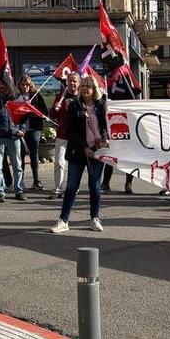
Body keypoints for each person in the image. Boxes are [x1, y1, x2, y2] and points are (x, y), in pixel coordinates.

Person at [50, 77, 108, 233]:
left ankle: (94, 218)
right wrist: (84, 147)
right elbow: (70, 130)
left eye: (88, 86)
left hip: (96, 152)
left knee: (95, 186)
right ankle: (63, 220)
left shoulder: (101, 106)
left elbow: (105, 126)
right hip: (78, 152)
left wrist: (103, 139)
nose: (85, 89)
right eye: (83, 86)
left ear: (94, 88)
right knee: (71, 187)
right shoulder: (74, 106)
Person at [0, 78, 26, 202]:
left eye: (1, 83)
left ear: (8, 84)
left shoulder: (17, 97)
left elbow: (25, 115)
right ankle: (0, 191)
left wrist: (22, 129)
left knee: (17, 165)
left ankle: (19, 190)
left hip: (14, 136)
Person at [50, 70, 80, 197]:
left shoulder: (82, 97)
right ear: (66, 82)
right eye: (69, 81)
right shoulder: (60, 96)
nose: (72, 83)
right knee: (59, 162)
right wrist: (55, 108)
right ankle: (58, 188)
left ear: (79, 83)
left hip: (77, 137)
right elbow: (52, 116)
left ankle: (73, 187)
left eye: (74, 81)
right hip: (62, 135)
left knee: (75, 164)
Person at [17, 76, 48, 192]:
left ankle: (36, 180)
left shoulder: (36, 96)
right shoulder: (17, 97)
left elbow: (44, 112)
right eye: (23, 85)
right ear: (19, 86)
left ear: (31, 85)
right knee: (20, 156)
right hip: (20, 130)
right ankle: (20, 181)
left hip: (34, 129)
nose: (25, 87)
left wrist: (30, 111)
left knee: (34, 155)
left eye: (27, 85)